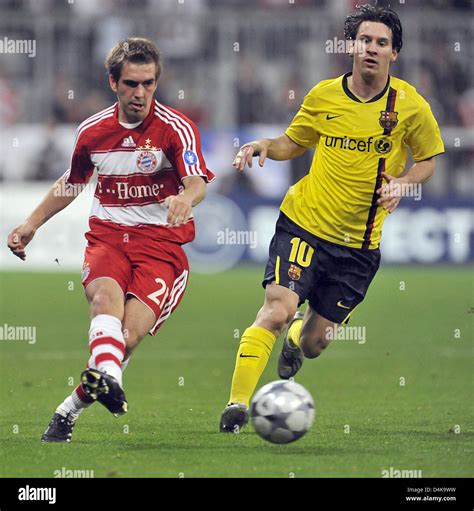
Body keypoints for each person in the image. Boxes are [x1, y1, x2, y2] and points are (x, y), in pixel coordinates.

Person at [219, 4, 444, 433]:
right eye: (365, 41)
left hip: (357, 247)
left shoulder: (410, 106)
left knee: (314, 342)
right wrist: (266, 144)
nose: (371, 49)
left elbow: (429, 159)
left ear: (394, 53)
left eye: (381, 43)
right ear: (351, 46)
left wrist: (403, 182)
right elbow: (294, 142)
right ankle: (237, 406)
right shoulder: (323, 95)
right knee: (277, 308)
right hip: (303, 224)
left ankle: (295, 341)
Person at [7, 37, 214, 442]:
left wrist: (185, 198)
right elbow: (73, 182)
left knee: (127, 338)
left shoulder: (176, 128)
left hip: (160, 248)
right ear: (113, 83)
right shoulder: (92, 131)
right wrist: (32, 223)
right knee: (104, 302)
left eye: (149, 84)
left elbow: (196, 180)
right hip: (108, 239)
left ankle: (68, 409)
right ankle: (110, 382)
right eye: (132, 84)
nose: (141, 94)